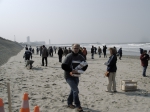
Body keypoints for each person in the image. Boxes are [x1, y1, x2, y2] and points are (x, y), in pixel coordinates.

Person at [61, 44, 88, 112]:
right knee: (76, 90)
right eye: (74, 48)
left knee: (73, 90)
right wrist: (71, 70)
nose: (76, 49)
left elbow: (85, 65)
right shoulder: (69, 56)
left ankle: (69, 103)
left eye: (77, 48)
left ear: (79, 49)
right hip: (68, 76)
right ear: (72, 48)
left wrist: (80, 71)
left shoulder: (80, 57)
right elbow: (63, 66)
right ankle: (78, 105)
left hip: (76, 76)